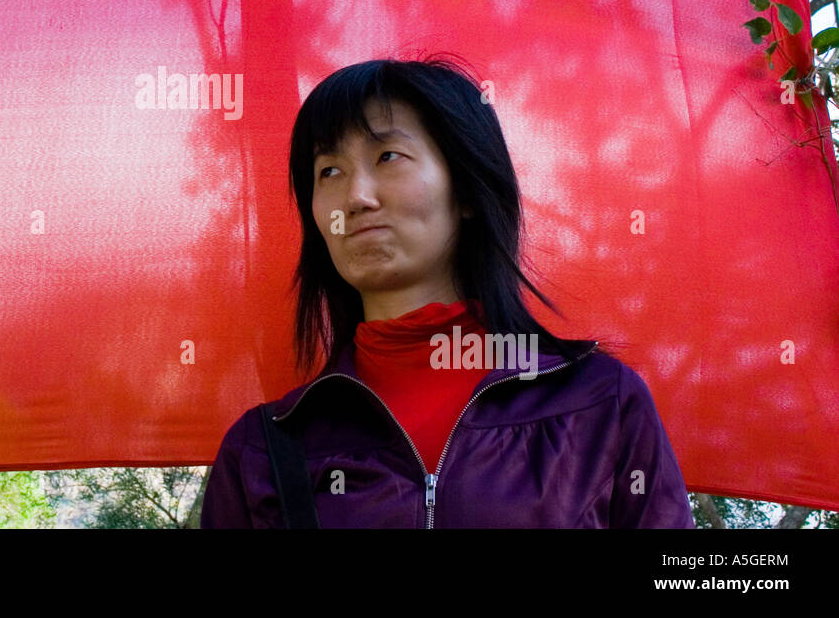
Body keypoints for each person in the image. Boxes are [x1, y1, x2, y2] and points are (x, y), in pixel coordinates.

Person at [200, 56, 695, 528]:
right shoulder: (261, 451)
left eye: (388, 156)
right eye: (329, 170)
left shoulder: (601, 403)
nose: (356, 197)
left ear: (467, 191)